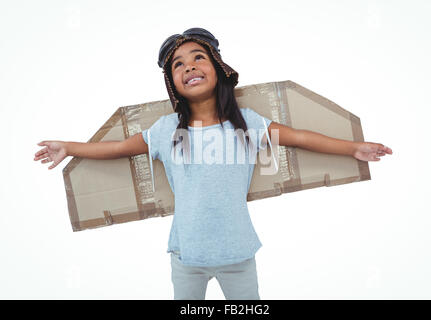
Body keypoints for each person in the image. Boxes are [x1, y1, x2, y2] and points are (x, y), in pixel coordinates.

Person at [33, 27, 393, 300]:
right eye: (178, 64)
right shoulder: (166, 130)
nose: (188, 66)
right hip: (186, 257)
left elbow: (300, 137)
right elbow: (117, 149)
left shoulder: (247, 124)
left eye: (197, 57)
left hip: (238, 254)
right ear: (173, 84)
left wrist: (353, 148)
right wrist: (68, 146)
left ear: (218, 68)